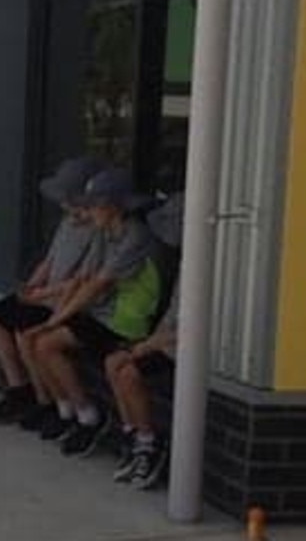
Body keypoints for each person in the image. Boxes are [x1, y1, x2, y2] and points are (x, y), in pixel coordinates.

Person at [29, 167, 162, 457]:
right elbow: (82, 280)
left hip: (127, 323)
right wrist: (57, 313)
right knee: (42, 341)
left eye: (94, 205)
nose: (88, 211)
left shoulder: (135, 236)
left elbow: (97, 286)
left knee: (46, 342)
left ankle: (89, 417)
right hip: (103, 313)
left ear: (112, 206)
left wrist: (55, 320)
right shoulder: (105, 232)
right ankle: (73, 412)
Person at [0, 156, 106, 424]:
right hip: (44, 294)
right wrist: (33, 284)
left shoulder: (98, 232)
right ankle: (19, 389)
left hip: (63, 302)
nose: (68, 205)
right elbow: (50, 260)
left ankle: (46, 401)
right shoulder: (67, 223)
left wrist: (43, 295)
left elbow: (83, 281)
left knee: (27, 335)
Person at [105, 193, 182, 489]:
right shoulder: (180, 260)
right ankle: (133, 435)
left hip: (182, 347)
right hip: (162, 337)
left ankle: (149, 444)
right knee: (113, 361)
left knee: (128, 372)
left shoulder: (207, 268)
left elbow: (192, 328)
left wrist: (148, 346)